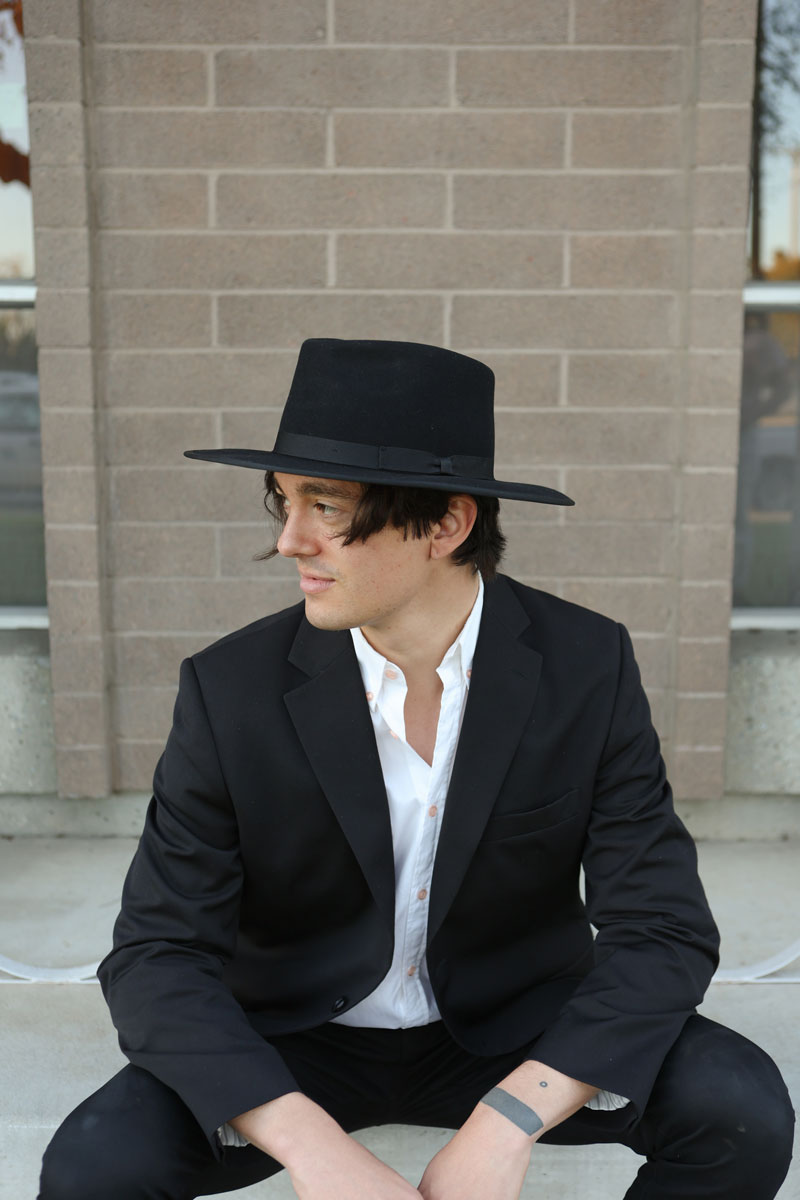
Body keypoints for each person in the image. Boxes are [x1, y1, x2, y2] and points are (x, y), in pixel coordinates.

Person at [40, 339, 794, 1199]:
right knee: (94, 1167)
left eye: (326, 506)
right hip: (297, 1034)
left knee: (742, 1110)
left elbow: (661, 928)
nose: (290, 542)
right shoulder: (229, 690)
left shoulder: (586, 664)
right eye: (284, 504)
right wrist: (317, 1153)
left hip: (514, 1027)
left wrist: (511, 1120)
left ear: (447, 523)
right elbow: (158, 954)